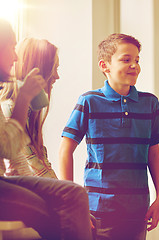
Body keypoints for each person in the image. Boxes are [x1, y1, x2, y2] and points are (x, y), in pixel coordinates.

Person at [59, 33, 159, 240]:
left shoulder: (150, 103)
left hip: (138, 210)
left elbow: (153, 155)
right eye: (126, 60)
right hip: (97, 209)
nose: (134, 65)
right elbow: (66, 149)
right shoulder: (89, 101)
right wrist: (72, 201)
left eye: (137, 60)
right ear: (104, 65)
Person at [0, 18, 93, 240]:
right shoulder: (10, 105)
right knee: (71, 201)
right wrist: (24, 99)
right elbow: (12, 155)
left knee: (75, 199)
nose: (15, 57)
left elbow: (38, 162)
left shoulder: (25, 110)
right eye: (11, 47)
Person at [0, 37, 59, 178]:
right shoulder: (10, 109)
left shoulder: (30, 111)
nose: (57, 76)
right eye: (54, 69)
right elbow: (18, 168)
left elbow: (41, 164)